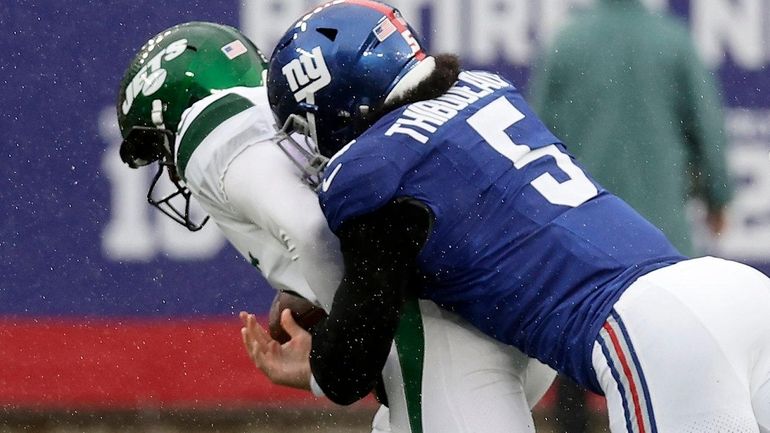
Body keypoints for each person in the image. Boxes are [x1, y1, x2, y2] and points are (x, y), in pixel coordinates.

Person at [256, 1, 770, 432]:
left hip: (652, 334)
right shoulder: (483, 88)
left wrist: (319, 361)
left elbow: (351, 367)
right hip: (734, 291)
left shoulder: (372, 172)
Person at [115, 21, 554, 433]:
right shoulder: (292, 107)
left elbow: (311, 230)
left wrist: (346, 351)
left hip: (437, 329)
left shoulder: (207, 134)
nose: (169, 169)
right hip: (500, 296)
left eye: (158, 149)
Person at [527, 0, 732, 257]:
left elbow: (537, 140)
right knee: (663, 295)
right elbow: (707, 129)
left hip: (587, 236)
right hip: (661, 231)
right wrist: (718, 199)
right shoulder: (673, 41)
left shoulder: (566, 42)